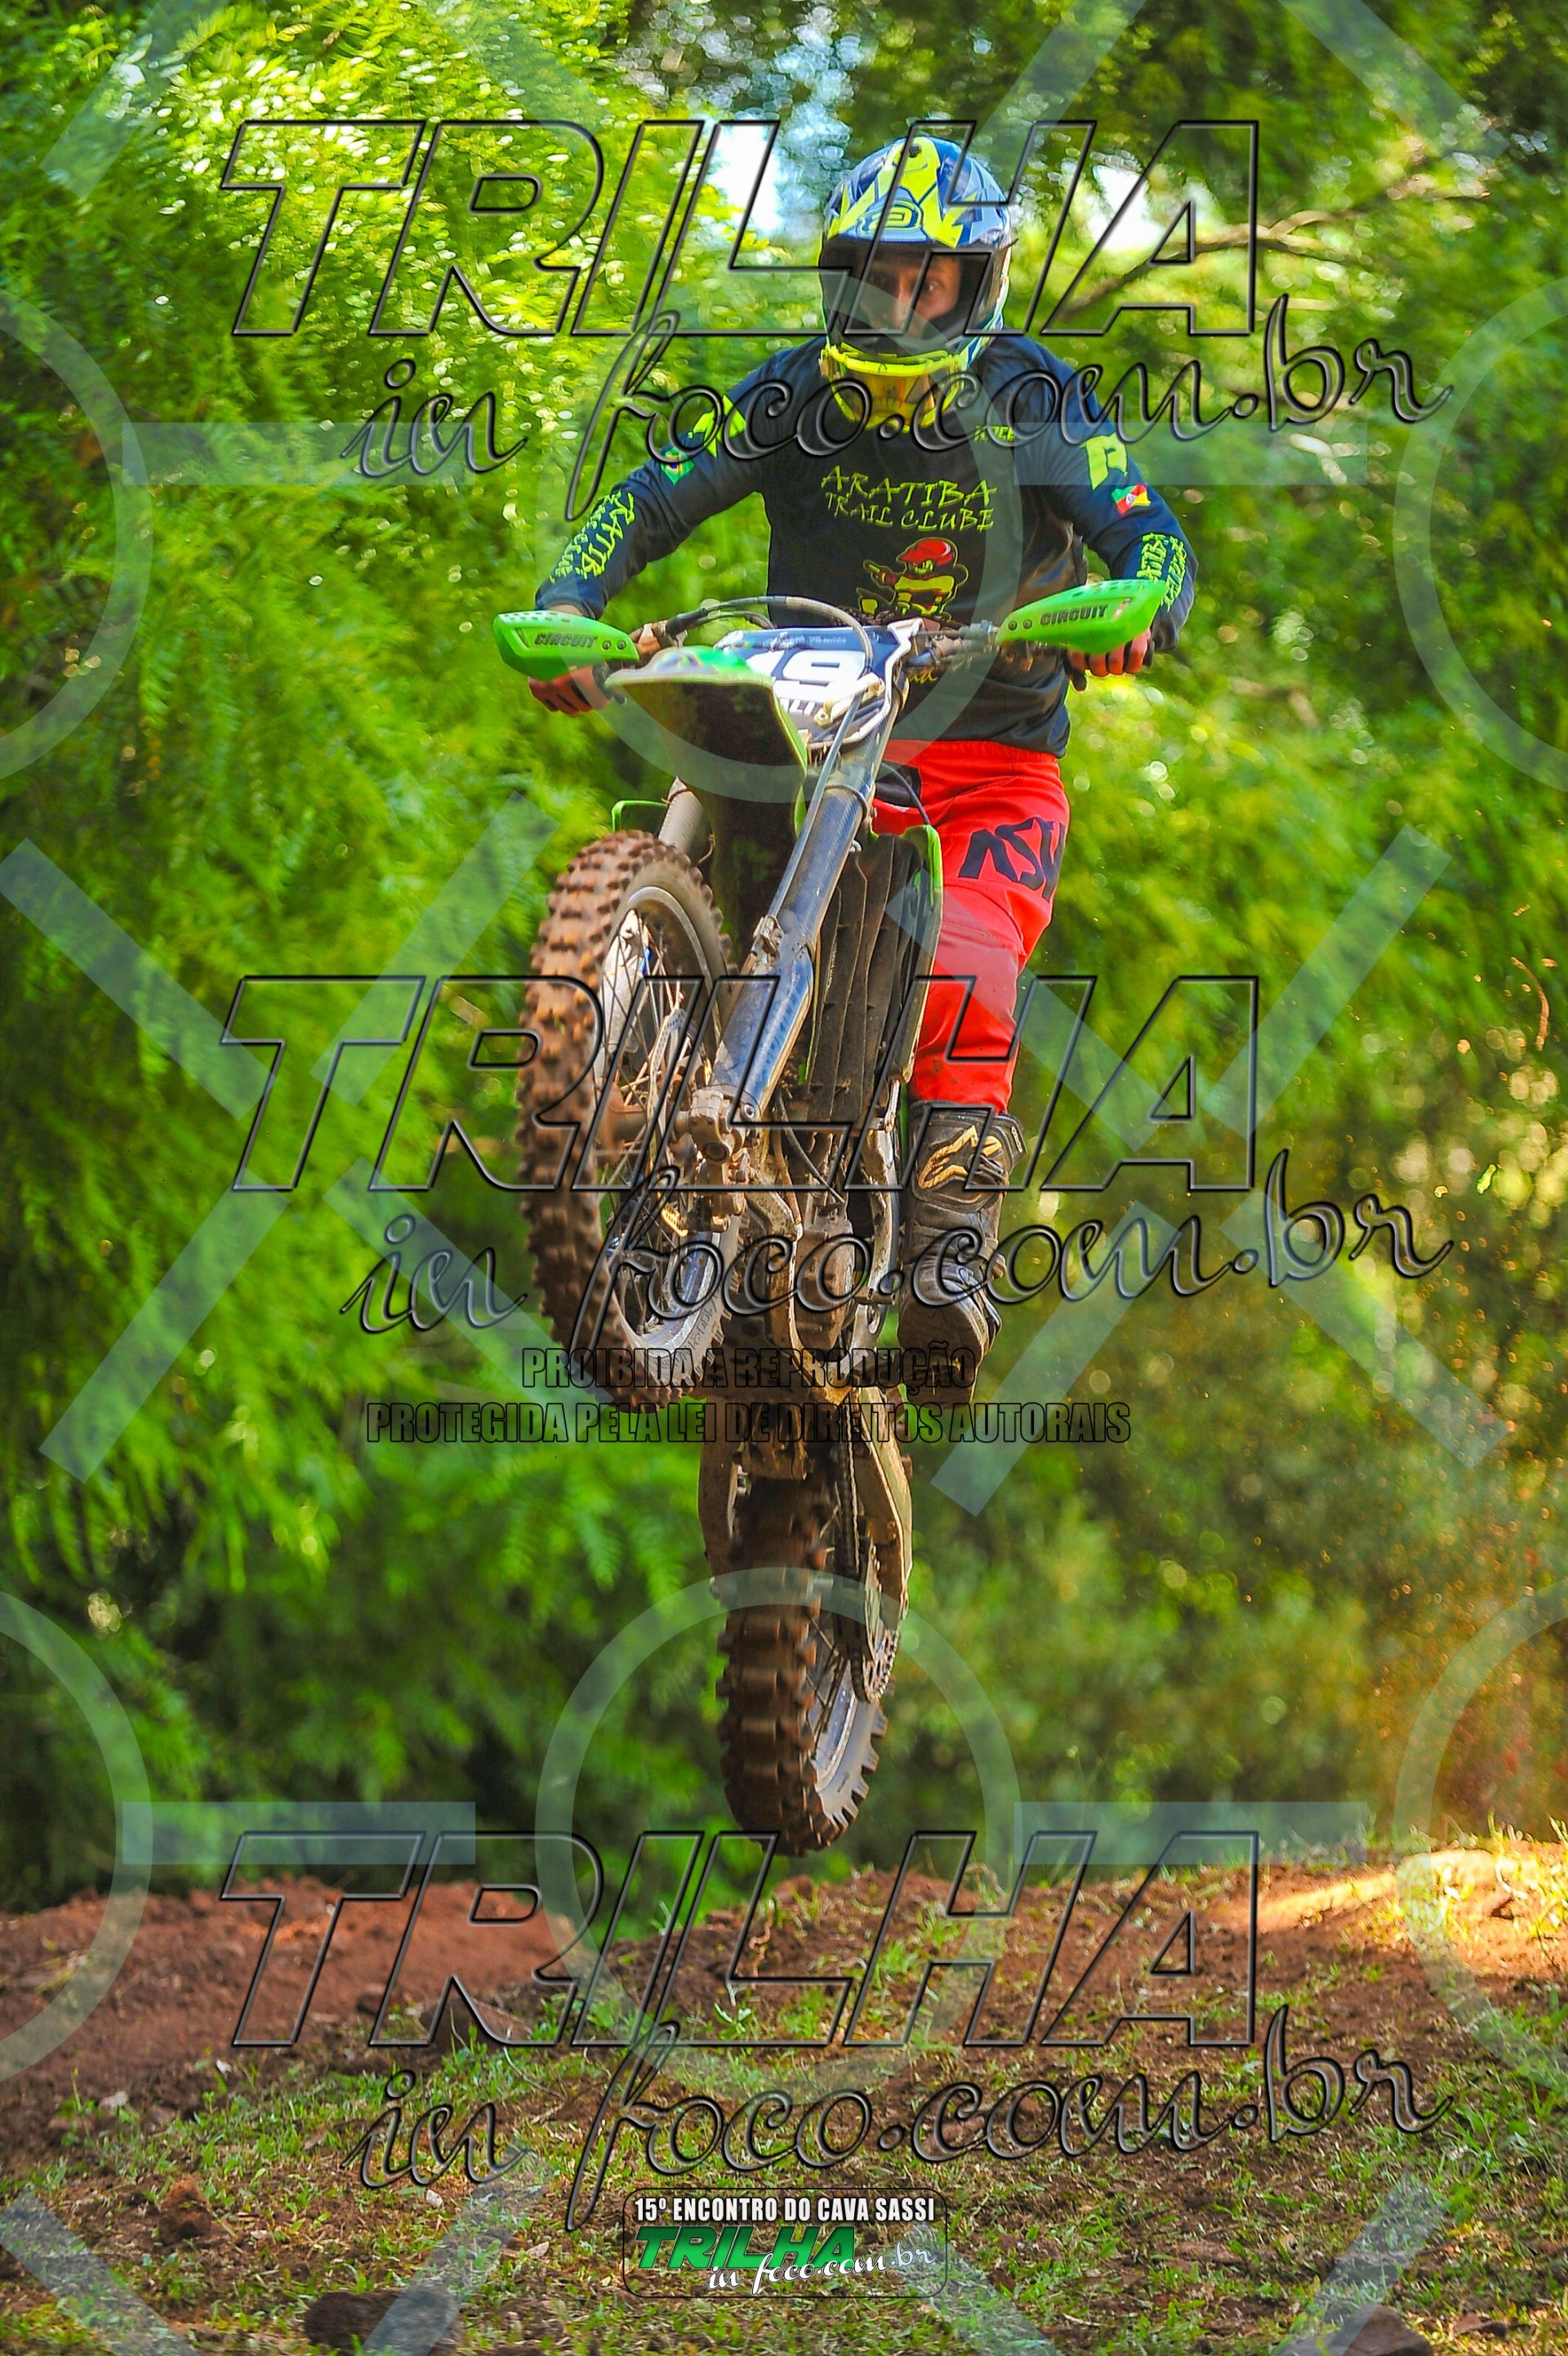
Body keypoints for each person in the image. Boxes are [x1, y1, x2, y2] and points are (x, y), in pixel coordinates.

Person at [529, 135, 1196, 1397]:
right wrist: (573, 601)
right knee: (700, 754)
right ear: (840, 276)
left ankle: (948, 1257)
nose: (903, 302)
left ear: (978, 284)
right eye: (880, 274)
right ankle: (627, 1025)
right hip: (818, 725)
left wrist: (1143, 606)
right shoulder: (793, 394)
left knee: (970, 956)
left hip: (988, 756)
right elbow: (651, 496)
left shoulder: (1033, 398)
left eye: (931, 278)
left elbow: (1146, 530)